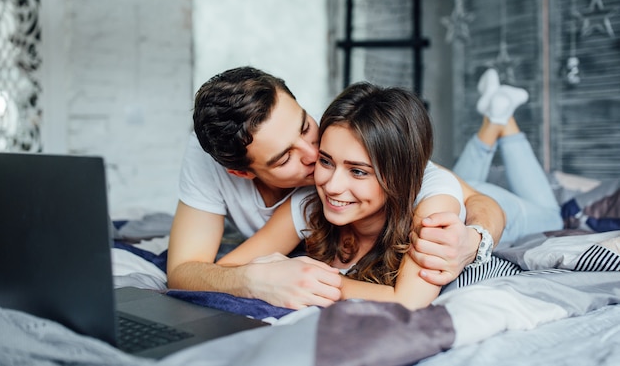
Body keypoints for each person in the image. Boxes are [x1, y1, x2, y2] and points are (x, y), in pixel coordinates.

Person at [167, 66, 505, 309]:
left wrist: (476, 237)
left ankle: (499, 123)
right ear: (241, 173)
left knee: (535, 204)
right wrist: (260, 280)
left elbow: (474, 199)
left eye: (305, 127)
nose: (316, 160)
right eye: (286, 157)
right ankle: (497, 120)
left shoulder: (426, 186)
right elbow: (196, 271)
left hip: (506, 209)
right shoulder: (308, 199)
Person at [218, 82, 466, 310]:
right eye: (325, 161)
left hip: (477, 196)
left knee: (475, 177)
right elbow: (226, 270)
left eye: (358, 171)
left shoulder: (434, 203)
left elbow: (409, 301)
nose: (332, 186)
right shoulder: (309, 202)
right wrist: (264, 279)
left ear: (399, 175)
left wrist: (305, 279)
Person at [452, 68, 563, 243]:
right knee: (554, 220)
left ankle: (498, 115)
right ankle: (499, 116)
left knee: (456, 187)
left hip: (460, 197)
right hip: (470, 201)